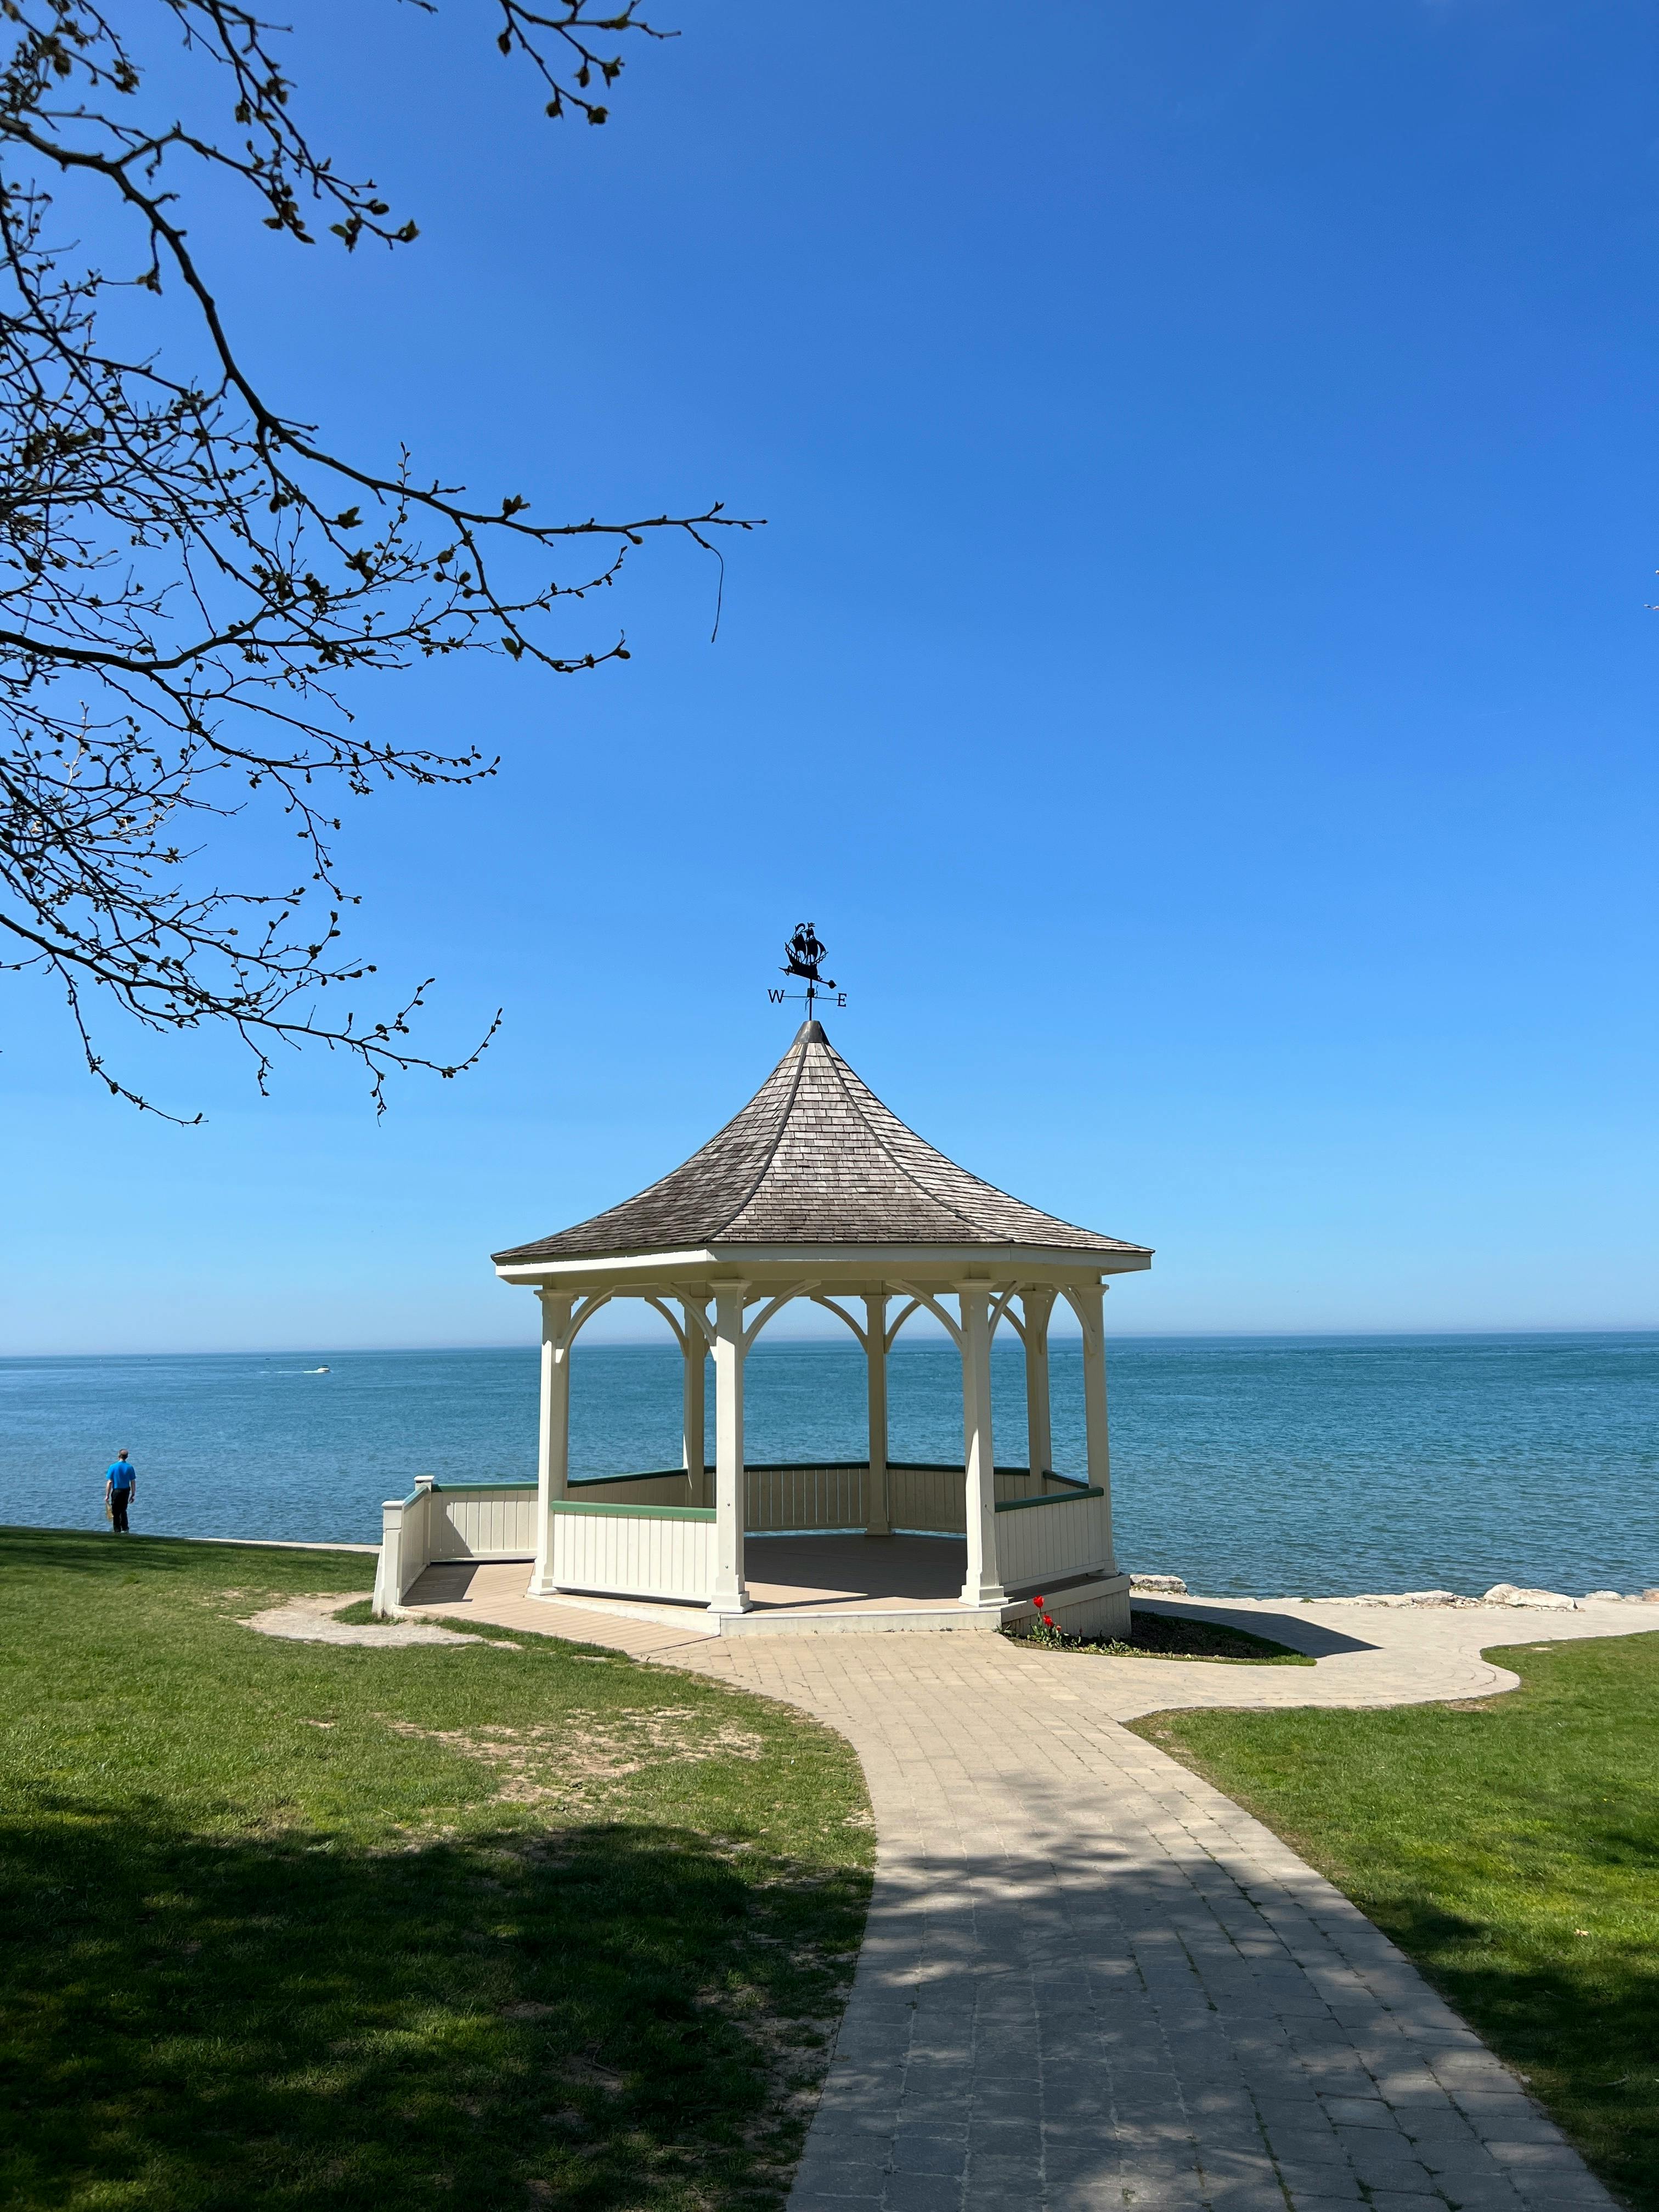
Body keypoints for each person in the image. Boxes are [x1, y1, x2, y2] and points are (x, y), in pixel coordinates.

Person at [104, 1451, 137, 1534]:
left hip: (116, 1491)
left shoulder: (113, 1467)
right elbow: (133, 1482)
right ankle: (125, 1528)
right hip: (126, 1491)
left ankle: (117, 1529)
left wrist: (107, 1495)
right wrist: (133, 1494)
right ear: (127, 1457)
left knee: (116, 1511)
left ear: (119, 1456)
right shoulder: (130, 1467)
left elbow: (110, 1482)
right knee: (123, 1510)